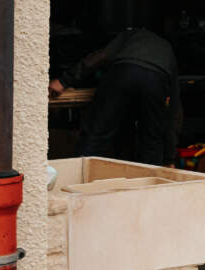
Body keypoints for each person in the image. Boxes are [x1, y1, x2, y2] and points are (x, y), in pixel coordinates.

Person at [50, 27, 181, 166]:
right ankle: (150, 185)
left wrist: (64, 81)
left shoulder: (132, 34)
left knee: (95, 137)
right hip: (155, 81)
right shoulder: (168, 50)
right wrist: (169, 159)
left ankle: (75, 178)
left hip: (122, 74)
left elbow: (101, 56)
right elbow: (175, 111)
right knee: (151, 142)